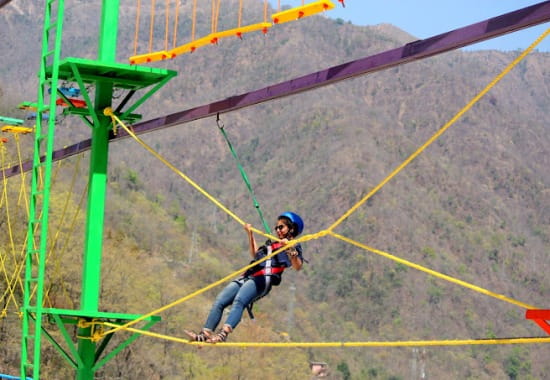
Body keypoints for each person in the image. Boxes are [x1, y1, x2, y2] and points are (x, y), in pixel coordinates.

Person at [184, 212, 305, 343]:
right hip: (248, 276)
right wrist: (250, 234)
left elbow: (298, 266)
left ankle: (223, 334)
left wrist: (290, 248)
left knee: (239, 301)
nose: (277, 230)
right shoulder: (271, 244)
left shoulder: (293, 245)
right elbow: (255, 254)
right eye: (276, 228)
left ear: (291, 229)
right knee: (220, 301)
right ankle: (205, 333)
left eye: (281, 227)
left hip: (262, 279)